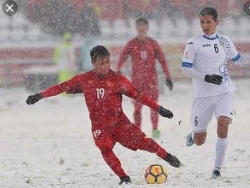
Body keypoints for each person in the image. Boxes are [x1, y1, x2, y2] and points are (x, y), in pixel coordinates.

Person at [26, 45, 181, 185]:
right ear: (93, 63)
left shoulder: (118, 80)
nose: (106, 66)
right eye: (101, 63)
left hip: (120, 123)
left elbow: (140, 96)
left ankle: (167, 156)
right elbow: (61, 87)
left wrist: (160, 109)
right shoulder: (84, 80)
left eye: (107, 62)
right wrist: (40, 95)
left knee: (145, 143)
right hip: (100, 126)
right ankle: (124, 178)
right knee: (105, 148)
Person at [181, 7, 250, 179]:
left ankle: (216, 169)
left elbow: (238, 59)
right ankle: (194, 134)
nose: (205, 25)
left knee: (223, 124)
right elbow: (185, 69)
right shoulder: (193, 43)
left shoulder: (225, 41)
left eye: (209, 22)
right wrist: (207, 77)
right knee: (199, 140)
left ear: (216, 22)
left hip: (224, 92)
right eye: (202, 22)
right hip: (202, 96)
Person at [116, 17, 173, 139]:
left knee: (154, 107)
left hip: (151, 81)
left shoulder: (153, 44)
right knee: (137, 109)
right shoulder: (131, 44)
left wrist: (168, 77)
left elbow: (162, 61)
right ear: (136, 28)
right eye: (139, 26)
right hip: (137, 82)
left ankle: (155, 130)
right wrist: (119, 69)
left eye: (144, 26)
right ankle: (138, 132)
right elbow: (122, 58)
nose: (141, 28)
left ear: (147, 28)